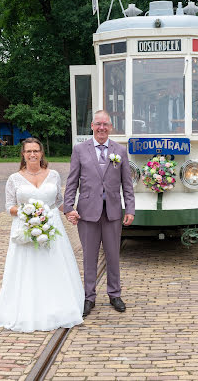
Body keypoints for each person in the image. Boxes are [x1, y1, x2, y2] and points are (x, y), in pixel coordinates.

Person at [0, 138, 84, 332]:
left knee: (53, 266)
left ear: (41, 153)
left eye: (36, 151)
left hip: (52, 228)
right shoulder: (14, 179)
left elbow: (58, 201)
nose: (32, 154)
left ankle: (58, 306)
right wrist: (29, 213)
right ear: (23, 154)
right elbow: (9, 206)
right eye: (28, 151)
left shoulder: (54, 175)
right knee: (28, 269)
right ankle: (27, 308)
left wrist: (69, 212)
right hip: (26, 228)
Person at [64, 110, 135, 317]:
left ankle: (115, 294)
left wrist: (129, 208)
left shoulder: (120, 151)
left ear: (110, 127)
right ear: (92, 126)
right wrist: (69, 207)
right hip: (87, 213)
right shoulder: (79, 150)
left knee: (113, 255)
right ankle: (89, 297)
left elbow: (127, 184)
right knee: (89, 256)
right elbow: (72, 182)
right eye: (98, 124)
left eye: (105, 124)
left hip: (112, 212)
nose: (102, 128)